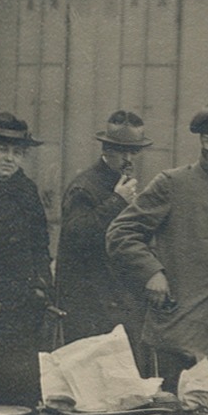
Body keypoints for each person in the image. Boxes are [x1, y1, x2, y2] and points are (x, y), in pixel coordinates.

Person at [107, 97, 208, 391]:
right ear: (207, 141)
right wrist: (152, 272)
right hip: (183, 335)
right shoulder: (172, 184)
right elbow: (121, 232)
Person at [0, 113, 53, 407]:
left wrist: (43, 284)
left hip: (21, 301)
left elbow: (40, 245)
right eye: (3, 151)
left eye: (17, 153)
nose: (10, 159)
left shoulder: (27, 190)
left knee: (19, 380)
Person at [56, 111, 152, 359]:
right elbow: (76, 235)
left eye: (134, 152)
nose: (129, 158)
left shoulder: (123, 183)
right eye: (122, 152)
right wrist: (117, 202)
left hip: (119, 298)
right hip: (90, 302)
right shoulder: (85, 186)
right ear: (106, 150)